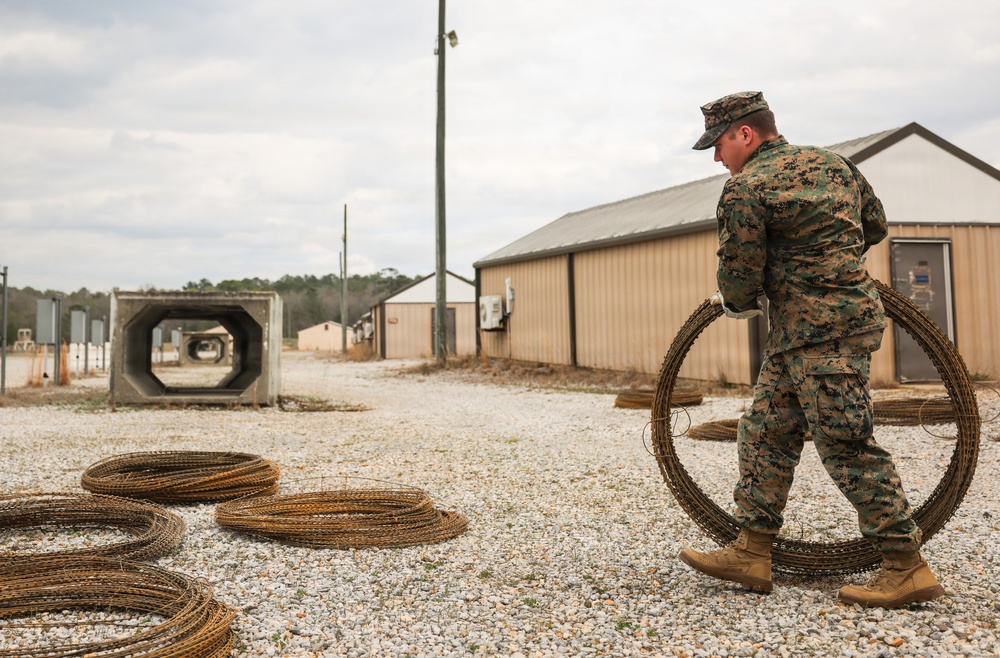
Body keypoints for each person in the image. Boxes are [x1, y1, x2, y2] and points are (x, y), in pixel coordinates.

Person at [677, 91, 945, 609]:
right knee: (766, 430)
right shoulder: (836, 166)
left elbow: (739, 278)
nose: (717, 157)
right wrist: (826, 259)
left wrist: (739, 300)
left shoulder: (744, 188)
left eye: (719, 144)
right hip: (805, 334)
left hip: (821, 334)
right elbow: (875, 227)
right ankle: (752, 551)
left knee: (845, 443)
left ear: (745, 135)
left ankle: (905, 564)